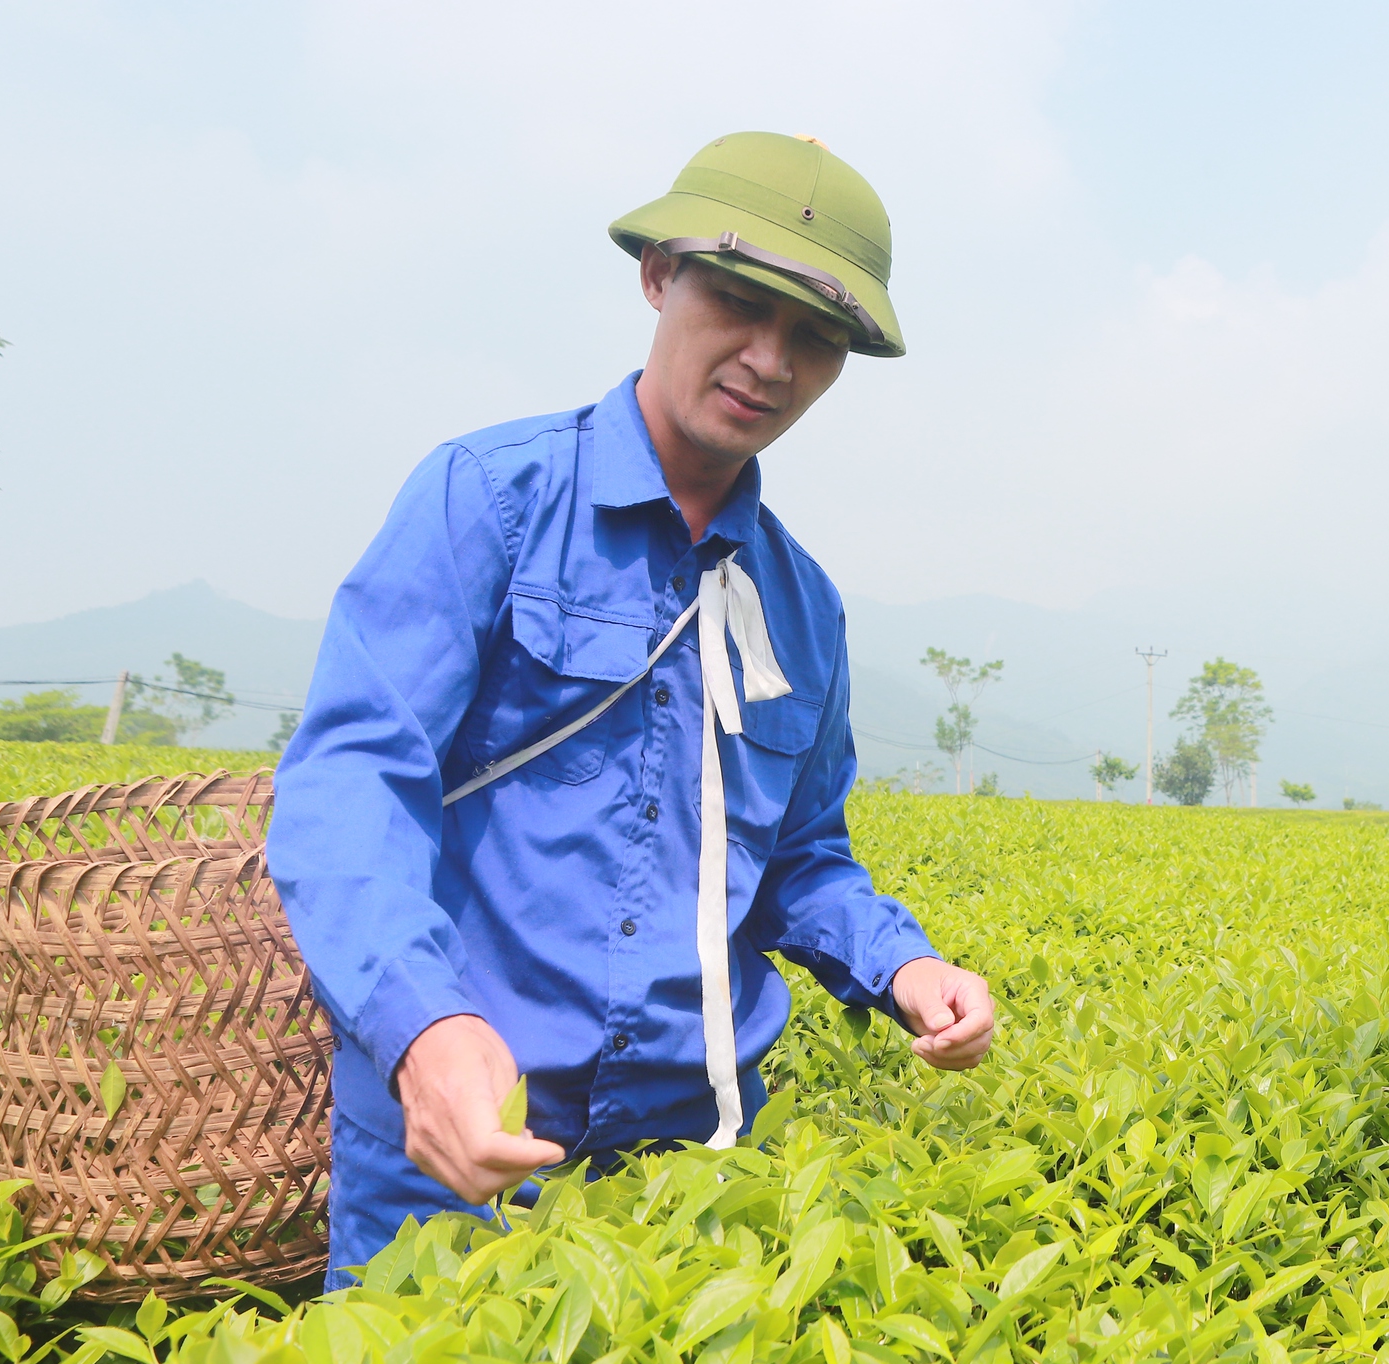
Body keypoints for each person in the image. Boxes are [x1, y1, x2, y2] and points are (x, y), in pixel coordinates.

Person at [270, 133, 996, 1287]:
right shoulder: (492, 501)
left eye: (816, 336)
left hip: (692, 1166)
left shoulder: (802, 608)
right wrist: (425, 1028)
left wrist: (904, 968)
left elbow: (800, 857)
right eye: (738, 300)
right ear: (659, 275)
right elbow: (355, 783)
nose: (769, 359)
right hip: (460, 1138)